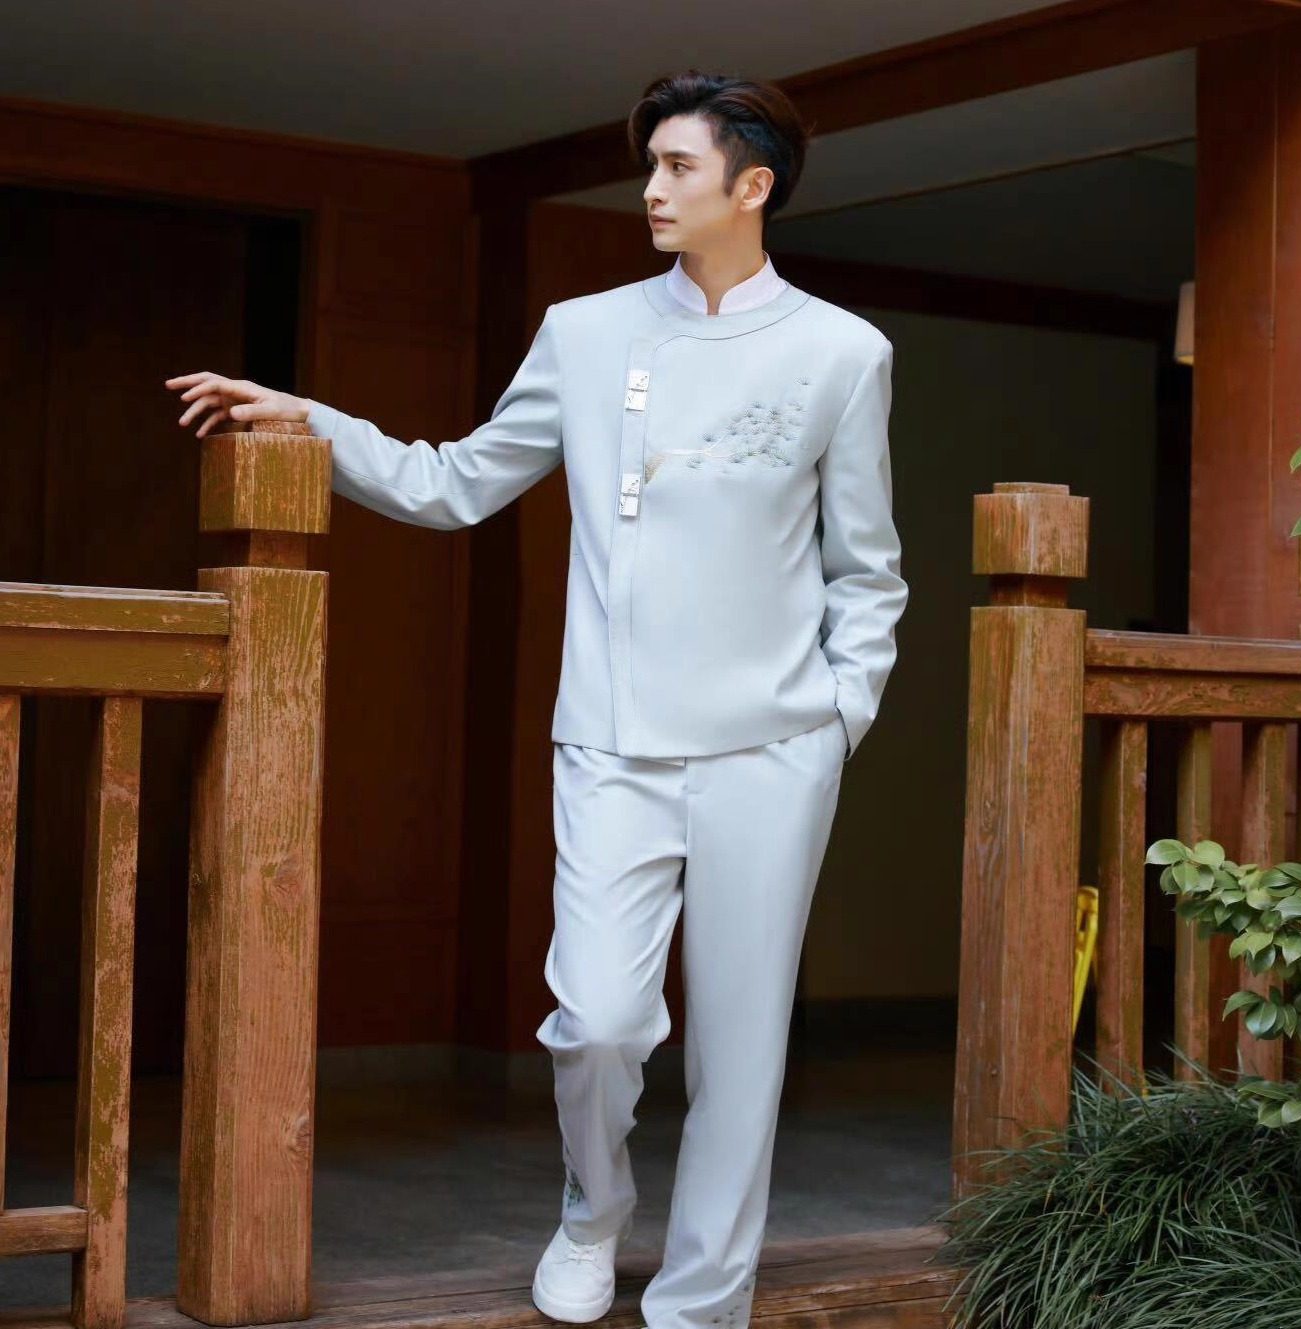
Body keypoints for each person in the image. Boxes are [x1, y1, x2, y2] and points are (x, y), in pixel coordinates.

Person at [165, 68, 907, 1329]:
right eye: (651, 164)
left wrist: (841, 717)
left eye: (678, 166)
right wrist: (307, 418)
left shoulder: (844, 352)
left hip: (777, 748)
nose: (652, 188)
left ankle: (703, 1303)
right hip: (612, 741)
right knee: (599, 1020)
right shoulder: (585, 332)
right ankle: (591, 1206)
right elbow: (452, 482)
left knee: (742, 1052)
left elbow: (866, 566)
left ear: (753, 186)